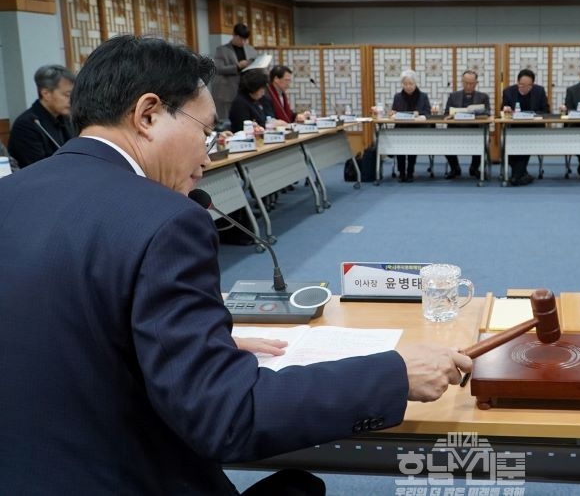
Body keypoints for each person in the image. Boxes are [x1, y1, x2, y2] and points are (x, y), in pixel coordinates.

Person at [0, 35, 471, 494]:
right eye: (205, 132)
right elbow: (227, 415)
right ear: (148, 115)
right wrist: (393, 375)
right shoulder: (165, 220)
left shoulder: (10, 194)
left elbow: (63, 325)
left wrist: (190, 341)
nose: (207, 157)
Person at [8, 64, 77, 168]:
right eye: (67, 95)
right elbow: (39, 168)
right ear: (46, 94)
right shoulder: (26, 125)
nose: (72, 100)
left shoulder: (66, 118)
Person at [501, 68, 549, 186]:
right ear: (517, 82)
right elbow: (502, 111)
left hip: (533, 128)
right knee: (509, 145)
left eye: (528, 86)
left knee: (525, 142)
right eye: (522, 85)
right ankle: (522, 175)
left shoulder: (539, 91)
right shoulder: (508, 92)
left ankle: (516, 176)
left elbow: (546, 111)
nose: (525, 88)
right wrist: (506, 110)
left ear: (532, 84)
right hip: (514, 128)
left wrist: (533, 115)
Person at [444, 69, 491, 179]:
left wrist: (475, 113)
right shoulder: (453, 96)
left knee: (483, 140)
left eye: (471, 83)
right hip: (456, 130)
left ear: (476, 83)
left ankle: (474, 168)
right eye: (466, 83)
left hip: (476, 130)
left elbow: (487, 113)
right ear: (462, 82)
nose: (468, 86)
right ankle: (455, 168)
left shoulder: (483, 97)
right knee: (445, 141)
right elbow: (446, 113)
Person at [212, 23, 259, 121]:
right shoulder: (222, 50)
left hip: (246, 89)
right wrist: (237, 66)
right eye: (240, 39)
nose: (243, 42)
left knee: (245, 118)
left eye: (245, 39)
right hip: (228, 90)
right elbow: (218, 68)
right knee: (226, 119)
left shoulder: (251, 49)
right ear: (234, 35)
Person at [391, 69, 431, 183]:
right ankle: (401, 172)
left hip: (417, 128)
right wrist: (393, 114)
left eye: (410, 84)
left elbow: (428, 113)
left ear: (415, 83)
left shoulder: (423, 96)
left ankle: (410, 172)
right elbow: (394, 112)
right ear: (402, 84)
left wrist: (420, 114)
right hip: (401, 128)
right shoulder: (398, 97)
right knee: (400, 146)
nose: (408, 86)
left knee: (412, 144)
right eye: (405, 84)